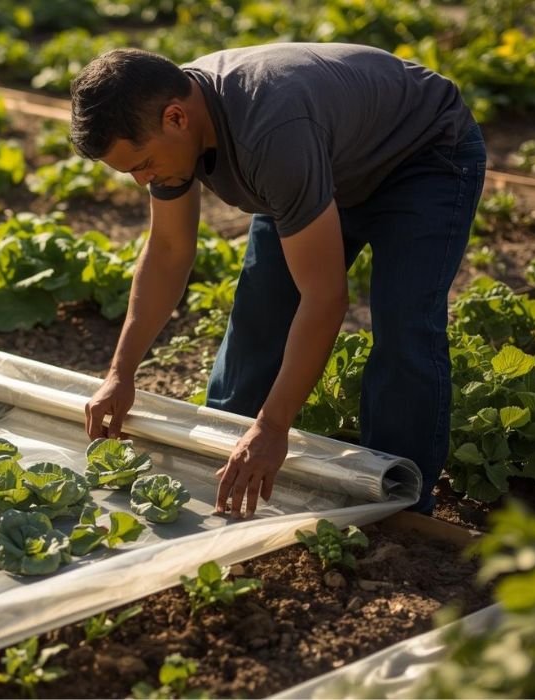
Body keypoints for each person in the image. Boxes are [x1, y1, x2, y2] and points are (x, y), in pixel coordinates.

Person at [74, 44, 486, 518]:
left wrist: (274, 427)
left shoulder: (269, 135)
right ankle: (223, 456)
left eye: (142, 165)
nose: (143, 180)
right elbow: (168, 251)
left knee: (402, 326)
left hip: (422, 156)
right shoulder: (167, 123)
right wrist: (120, 372)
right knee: (261, 313)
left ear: (177, 119)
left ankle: (397, 501)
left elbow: (326, 298)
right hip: (321, 161)